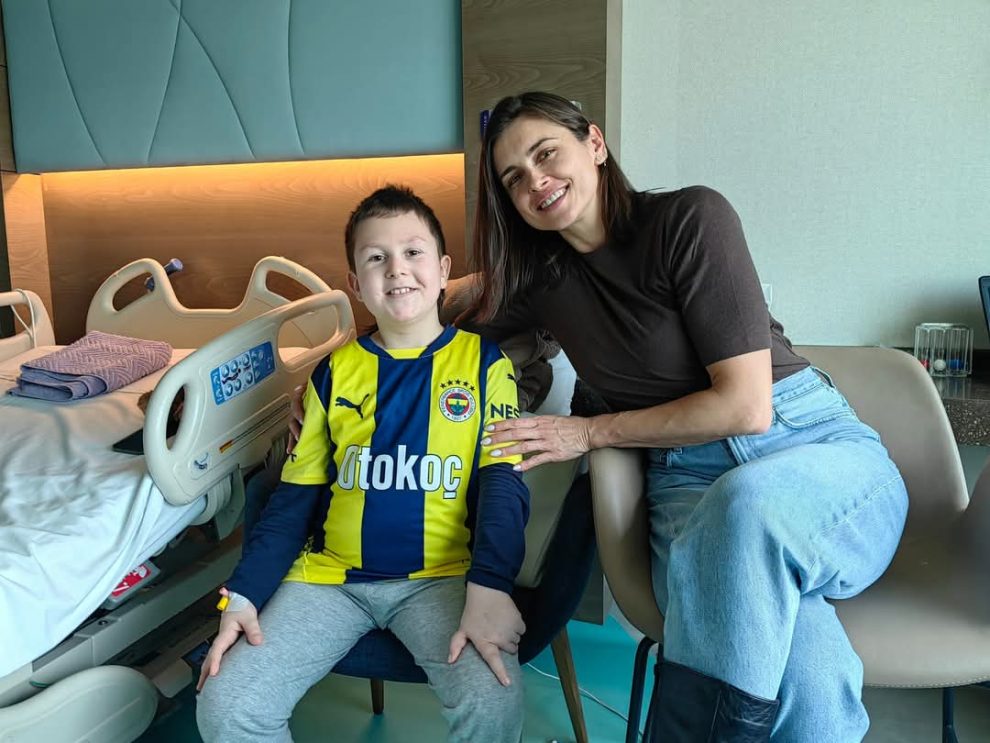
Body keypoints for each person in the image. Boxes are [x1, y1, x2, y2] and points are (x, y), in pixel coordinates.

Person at [460, 92, 908, 742]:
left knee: (749, 502)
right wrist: (333, 361)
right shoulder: (540, 284)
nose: (536, 181)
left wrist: (587, 432)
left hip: (811, 449)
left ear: (594, 143)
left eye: (546, 153)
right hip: (687, 488)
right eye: (513, 178)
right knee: (810, 681)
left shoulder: (690, 218)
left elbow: (745, 406)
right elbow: (423, 306)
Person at [196, 185, 530, 743]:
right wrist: (243, 595)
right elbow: (292, 500)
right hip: (329, 581)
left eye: (413, 252)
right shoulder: (331, 374)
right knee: (227, 706)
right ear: (355, 284)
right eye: (376, 258)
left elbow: (503, 487)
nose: (396, 269)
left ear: (444, 270)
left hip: (439, 579)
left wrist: (491, 586)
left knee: (492, 703)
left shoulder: (486, 366)